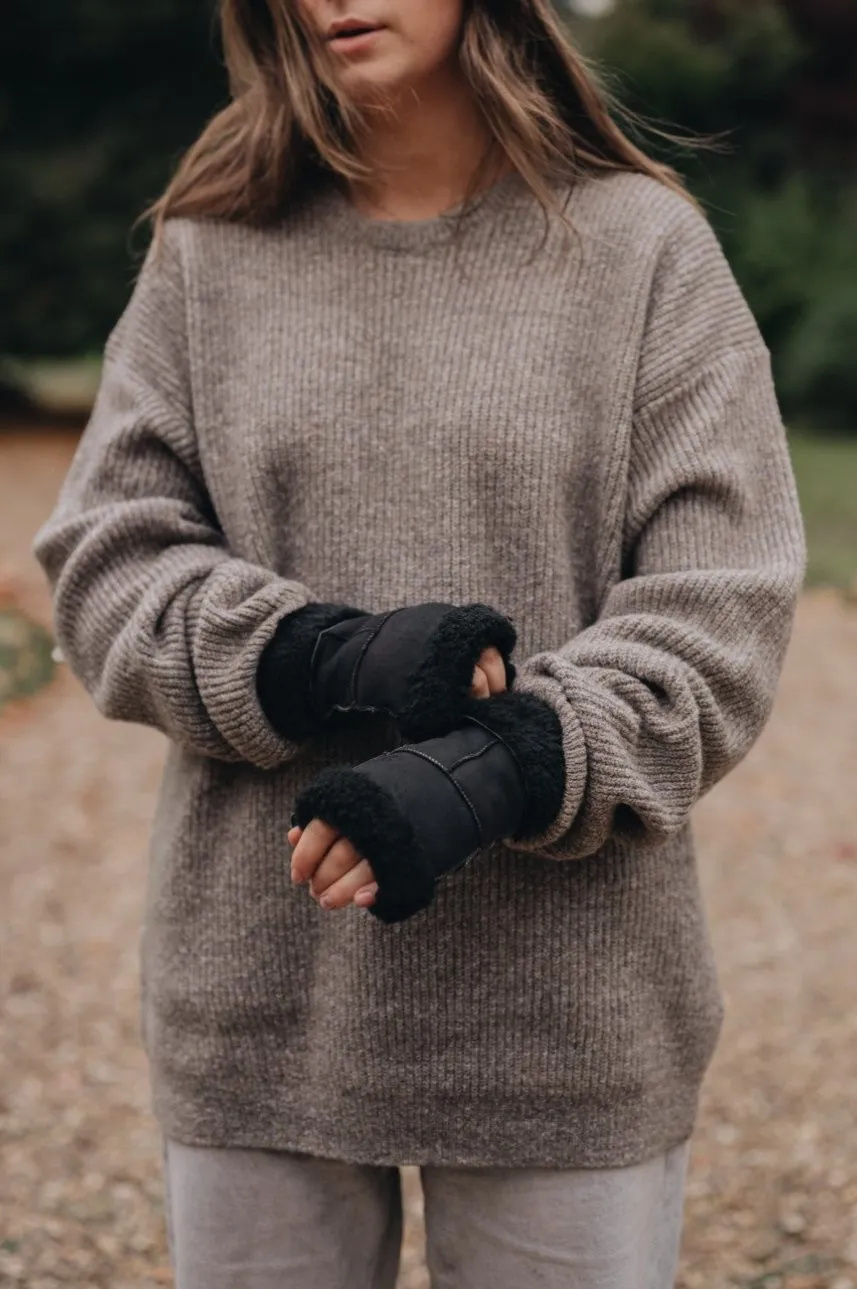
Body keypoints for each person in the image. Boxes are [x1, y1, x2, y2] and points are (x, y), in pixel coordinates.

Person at [33, 0, 807, 1285]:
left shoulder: (641, 250)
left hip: (568, 1014)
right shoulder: (207, 252)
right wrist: (318, 656)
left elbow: (718, 615)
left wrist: (497, 763)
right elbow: (108, 562)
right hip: (259, 999)